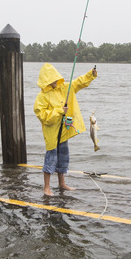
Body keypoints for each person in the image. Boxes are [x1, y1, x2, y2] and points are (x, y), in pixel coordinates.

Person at [34, 63, 97, 196]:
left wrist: (90, 75)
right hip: (52, 134)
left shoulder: (64, 88)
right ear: (46, 80)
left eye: (56, 78)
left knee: (63, 158)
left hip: (63, 131)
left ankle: (62, 183)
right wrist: (59, 111)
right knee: (50, 158)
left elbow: (78, 83)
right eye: (52, 79)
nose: (55, 81)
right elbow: (42, 115)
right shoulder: (42, 96)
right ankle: (46, 187)